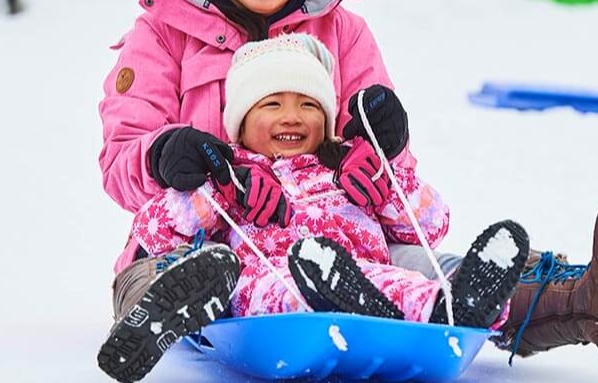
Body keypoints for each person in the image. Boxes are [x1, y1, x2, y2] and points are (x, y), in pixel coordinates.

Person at [96, 0, 598, 380]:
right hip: (201, 239)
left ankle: (588, 300)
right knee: (179, 273)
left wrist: (379, 147)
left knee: (430, 269)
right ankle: (158, 315)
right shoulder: (164, 33)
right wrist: (164, 154)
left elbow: (396, 188)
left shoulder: (343, 32)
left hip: (337, 238)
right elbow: (121, 164)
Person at [100, 35, 531, 381]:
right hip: (269, 278)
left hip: (355, 271)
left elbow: (433, 224)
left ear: (327, 118)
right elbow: (153, 233)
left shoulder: (348, 166)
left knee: (399, 283)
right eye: (272, 104)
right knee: (270, 286)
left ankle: (461, 306)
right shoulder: (228, 176)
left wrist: (388, 184)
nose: (292, 116)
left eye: (308, 104)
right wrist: (211, 197)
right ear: (240, 122)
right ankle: (333, 300)